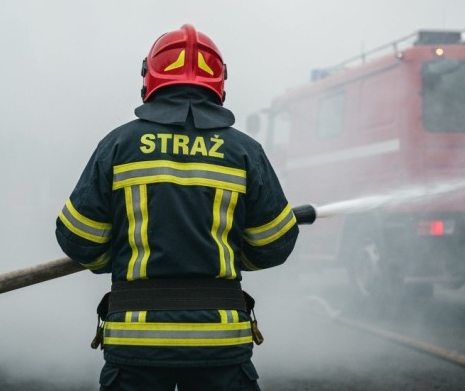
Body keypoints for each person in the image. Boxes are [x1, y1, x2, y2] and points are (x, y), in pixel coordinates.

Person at [55, 24, 299, 391]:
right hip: (221, 346)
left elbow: (78, 238)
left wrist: (119, 258)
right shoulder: (245, 152)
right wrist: (227, 254)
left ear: (149, 78)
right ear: (219, 82)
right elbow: (274, 245)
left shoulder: (118, 145)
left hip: (135, 343)